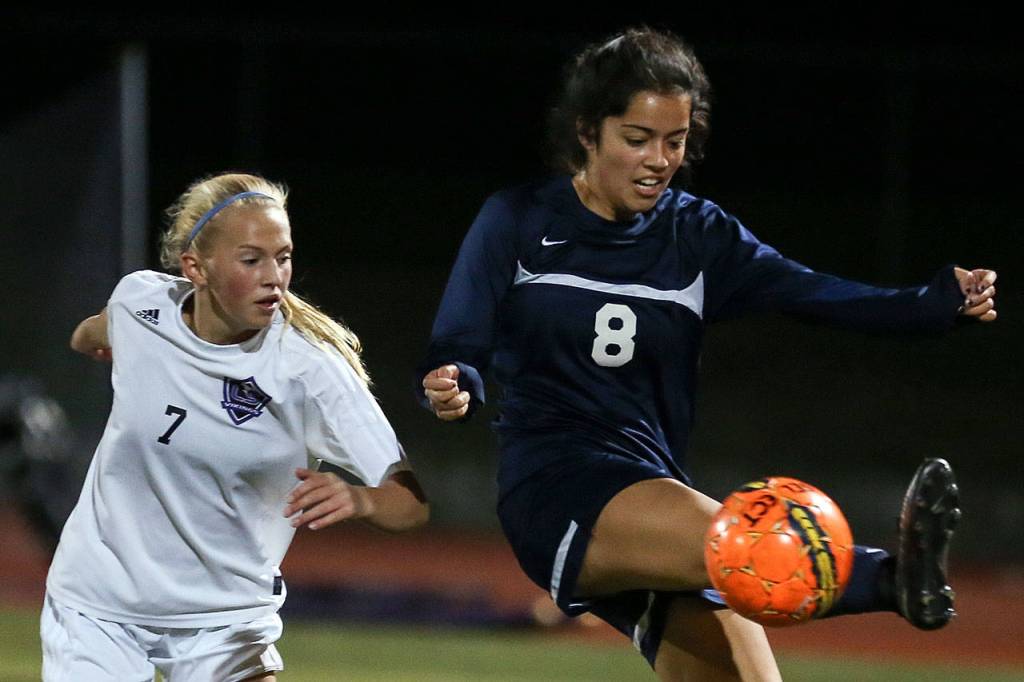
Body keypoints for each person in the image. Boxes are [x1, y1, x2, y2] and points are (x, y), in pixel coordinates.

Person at [418, 27, 996, 681]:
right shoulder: (517, 220)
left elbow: (815, 293)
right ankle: (894, 581)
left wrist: (932, 302)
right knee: (746, 538)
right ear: (587, 132)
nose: (659, 159)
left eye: (676, 140)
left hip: (658, 494)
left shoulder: (698, 237)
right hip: (557, 488)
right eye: (637, 138)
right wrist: (453, 380)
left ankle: (897, 582)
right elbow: (456, 342)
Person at [43, 172, 429, 682]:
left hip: (225, 624)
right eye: (252, 260)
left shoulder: (308, 368)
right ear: (195, 268)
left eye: (283, 256)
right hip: (97, 606)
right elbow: (97, 330)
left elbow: (411, 503)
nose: (275, 277)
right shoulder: (141, 304)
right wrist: (94, 338)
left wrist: (361, 499)